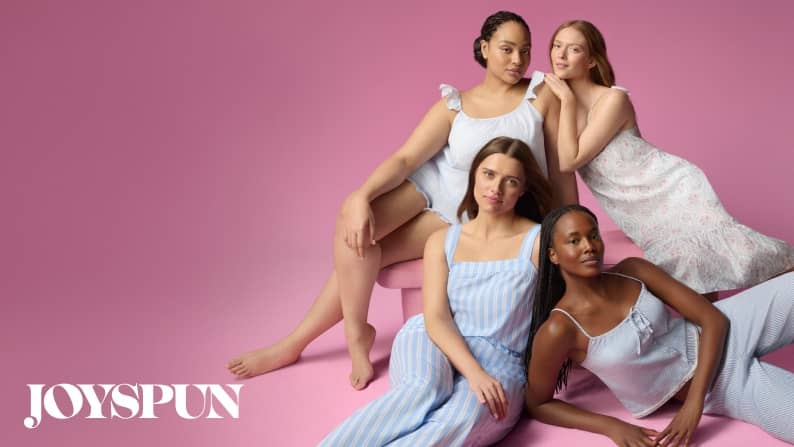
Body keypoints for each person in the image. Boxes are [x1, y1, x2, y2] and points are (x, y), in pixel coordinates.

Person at [227, 11, 577, 389]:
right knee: (353, 217)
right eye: (507, 49)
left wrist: (570, 223)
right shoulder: (455, 104)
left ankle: (299, 343)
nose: (517, 60)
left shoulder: (541, 95)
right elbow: (406, 158)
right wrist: (361, 195)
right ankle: (349, 334)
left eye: (524, 51)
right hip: (432, 186)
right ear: (484, 48)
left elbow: (560, 168)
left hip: (473, 206)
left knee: (366, 249)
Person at [320, 137, 551, 446]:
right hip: (432, 337)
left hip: (499, 359)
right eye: (488, 174)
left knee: (461, 418)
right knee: (421, 390)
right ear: (474, 177)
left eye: (510, 181)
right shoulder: (442, 240)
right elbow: (436, 318)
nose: (495, 188)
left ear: (522, 189)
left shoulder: (538, 241)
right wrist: (472, 372)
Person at [542, 20, 794, 297]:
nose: (560, 55)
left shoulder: (613, 99)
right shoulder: (557, 103)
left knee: (745, 257)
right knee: (697, 272)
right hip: (635, 207)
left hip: (670, 187)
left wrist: (566, 100)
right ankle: (709, 332)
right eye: (557, 45)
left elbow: (569, 160)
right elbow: (561, 164)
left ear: (591, 60)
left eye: (574, 49)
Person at [525, 204, 794, 446]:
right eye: (574, 240)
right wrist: (611, 427)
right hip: (724, 384)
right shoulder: (559, 329)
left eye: (593, 235)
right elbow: (538, 403)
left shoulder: (633, 271)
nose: (589, 246)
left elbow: (712, 319)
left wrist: (693, 405)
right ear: (554, 254)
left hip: (731, 328)